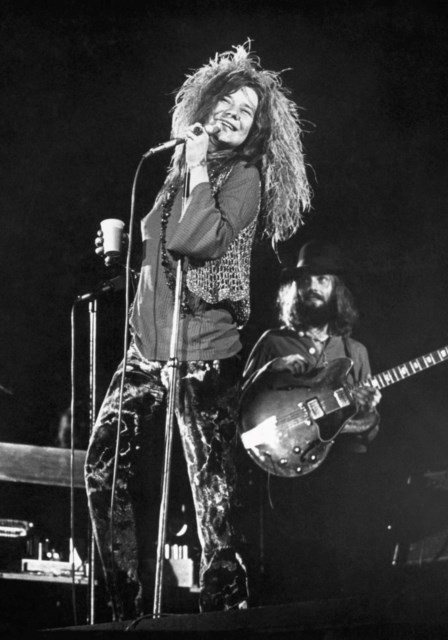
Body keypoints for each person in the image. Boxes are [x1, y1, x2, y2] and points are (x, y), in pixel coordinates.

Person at [85, 43, 310, 619]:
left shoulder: (243, 177)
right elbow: (158, 255)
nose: (235, 115)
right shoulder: (178, 170)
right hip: (145, 351)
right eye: (227, 103)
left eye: (248, 111)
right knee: (103, 471)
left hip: (205, 354)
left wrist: (197, 166)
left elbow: (194, 240)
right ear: (204, 107)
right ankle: (124, 612)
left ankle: (222, 621)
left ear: (258, 129)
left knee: (215, 505)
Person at [241, 240, 383, 601]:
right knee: (289, 581)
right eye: (305, 281)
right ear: (294, 289)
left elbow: (368, 435)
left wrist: (367, 412)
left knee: (341, 582)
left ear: (337, 288)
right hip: (286, 478)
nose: (312, 287)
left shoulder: (356, 352)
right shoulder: (274, 343)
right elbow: (239, 412)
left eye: (322, 279)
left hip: (340, 484)